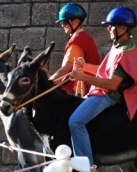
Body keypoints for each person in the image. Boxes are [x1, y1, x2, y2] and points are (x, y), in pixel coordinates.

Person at [69, 6, 137, 170]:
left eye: (111, 26)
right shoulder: (120, 46)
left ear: (123, 28)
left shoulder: (126, 51)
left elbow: (112, 83)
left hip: (110, 96)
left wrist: (81, 77)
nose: (108, 29)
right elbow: (105, 70)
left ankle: (86, 166)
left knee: (75, 121)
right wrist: (84, 67)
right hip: (106, 92)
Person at [49, 2, 100, 97]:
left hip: (75, 92)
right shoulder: (85, 38)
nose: (62, 25)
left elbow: (64, 71)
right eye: (61, 22)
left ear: (76, 22)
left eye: (64, 22)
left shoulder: (77, 41)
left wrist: (47, 84)